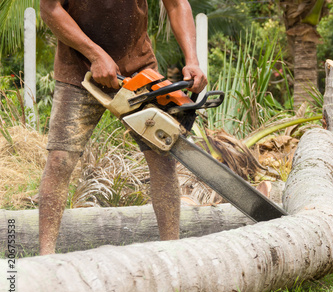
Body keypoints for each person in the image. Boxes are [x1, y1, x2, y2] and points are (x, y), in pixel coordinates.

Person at [39, 0, 207, 255]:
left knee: (163, 159)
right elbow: (50, 9)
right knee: (60, 160)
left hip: (139, 70)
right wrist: (95, 54)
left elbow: (176, 4)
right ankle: (45, 257)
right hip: (78, 72)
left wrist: (192, 60)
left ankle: (173, 253)